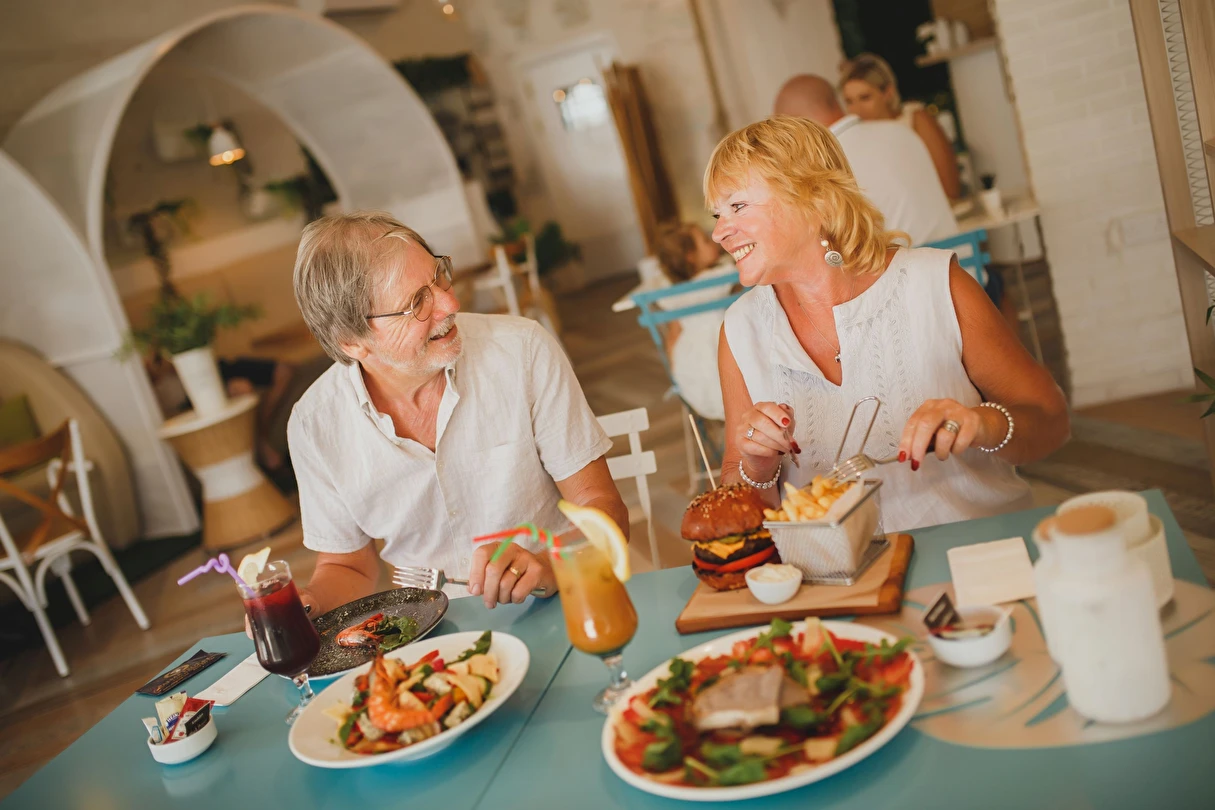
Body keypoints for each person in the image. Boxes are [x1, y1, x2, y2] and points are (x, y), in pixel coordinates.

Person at [707, 116, 1069, 532]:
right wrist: (756, 464)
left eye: (737, 206)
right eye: (716, 214)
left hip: (974, 550)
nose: (718, 233)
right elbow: (738, 504)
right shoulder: (740, 330)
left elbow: (1050, 420)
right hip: (832, 568)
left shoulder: (934, 285)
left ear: (817, 200)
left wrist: (982, 424)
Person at [286, 211, 628, 613]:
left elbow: (604, 509)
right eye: (417, 303)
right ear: (352, 342)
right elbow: (349, 567)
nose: (450, 303)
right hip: (429, 633)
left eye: (440, 277)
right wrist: (308, 605)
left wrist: (551, 564)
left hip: (561, 603)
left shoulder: (522, 351)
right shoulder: (314, 425)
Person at [773, 74, 957, 245]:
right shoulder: (899, 131)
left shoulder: (825, 162)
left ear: (795, 123)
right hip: (960, 257)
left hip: (912, 266)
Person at [840, 53, 962, 200]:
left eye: (865, 98)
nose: (857, 110)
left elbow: (951, 187)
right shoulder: (855, 139)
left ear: (888, 92)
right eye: (849, 101)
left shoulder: (914, 119)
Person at [652, 222, 737, 421]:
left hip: (692, 374)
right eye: (706, 240)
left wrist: (676, 372)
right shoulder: (723, 276)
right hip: (727, 356)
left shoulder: (672, 294)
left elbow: (673, 338)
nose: (713, 239)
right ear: (691, 256)